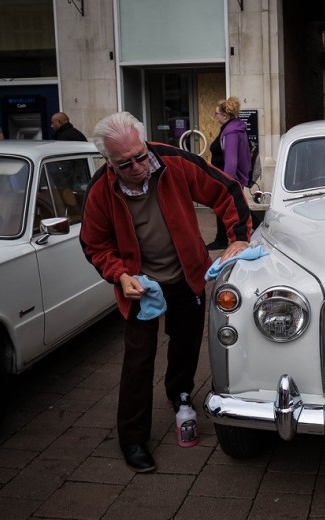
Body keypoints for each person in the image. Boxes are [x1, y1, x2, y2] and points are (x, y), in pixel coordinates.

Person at [80, 112, 252, 473]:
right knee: (138, 360)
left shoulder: (174, 161)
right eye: (125, 164)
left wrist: (237, 237)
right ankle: (132, 438)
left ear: (144, 144)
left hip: (186, 276)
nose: (138, 167)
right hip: (140, 287)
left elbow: (226, 190)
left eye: (140, 156)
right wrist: (119, 274)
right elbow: (94, 245)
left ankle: (181, 395)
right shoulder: (101, 190)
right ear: (109, 161)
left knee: (185, 344)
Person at [206, 96, 252, 250]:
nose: (215, 116)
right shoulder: (234, 128)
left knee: (234, 208)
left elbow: (231, 161)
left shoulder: (231, 132)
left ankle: (223, 239)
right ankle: (221, 238)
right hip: (227, 177)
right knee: (229, 207)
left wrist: (227, 183)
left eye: (216, 113)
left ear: (224, 116)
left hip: (228, 178)